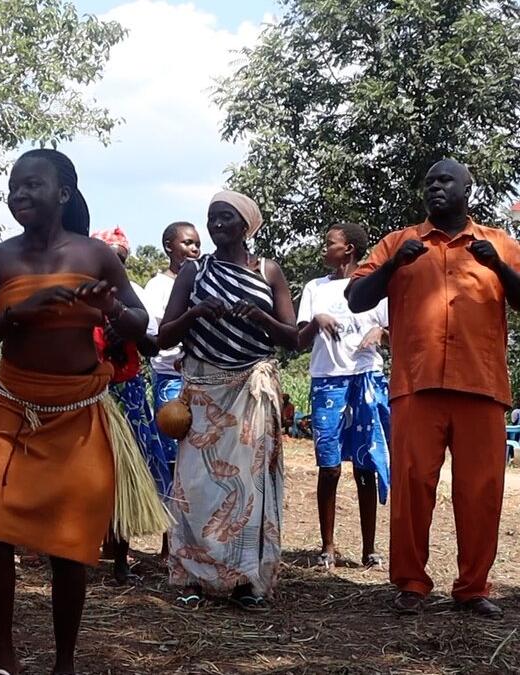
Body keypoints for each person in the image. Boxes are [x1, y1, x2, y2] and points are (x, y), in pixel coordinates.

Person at [0, 148, 161, 675]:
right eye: (13, 187)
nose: (18, 195)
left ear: (63, 193)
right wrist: (14, 317)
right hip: (14, 410)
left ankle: (64, 660)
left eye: (32, 186)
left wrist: (112, 308)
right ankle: (5, 655)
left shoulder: (96, 256)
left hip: (80, 413)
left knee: (73, 542)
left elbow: (141, 323)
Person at [347, 159, 520, 619]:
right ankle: (411, 583)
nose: (435, 188)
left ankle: (473, 588)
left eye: (445, 180)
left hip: (482, 386)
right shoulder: (399, 243)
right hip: (416, 384)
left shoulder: (499, 243)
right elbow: (355, 298)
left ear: (468, 187)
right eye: (428, 182)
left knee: (481, 490)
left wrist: (499, 267)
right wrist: (393, 268)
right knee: (411, 485)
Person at [157, 190, 297, 611]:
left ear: (247, 225)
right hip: (203, 393)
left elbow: (291, 337)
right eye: (212, 218)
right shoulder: (193, 273)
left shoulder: (269, 271)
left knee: (248, 487)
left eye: (226, 218)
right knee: (197, 486)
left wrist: (261, 318)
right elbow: (164, 336)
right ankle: (194, 579)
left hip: (250, 392)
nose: (217, 225)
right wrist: (195, 315)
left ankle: (245, 582)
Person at [297, 222, 389, 570]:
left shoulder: (372, 287)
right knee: (330, 467)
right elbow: (298, 340)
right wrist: (316, 320)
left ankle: (369, 549)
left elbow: (395, 333)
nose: (324, 248)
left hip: (366, 379)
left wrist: (380, 331)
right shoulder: (314, 289)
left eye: (329, 243)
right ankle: (328, 546)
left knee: (366, 466)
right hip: (327, 382)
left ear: (348, 248)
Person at [91, 226, 171, 583]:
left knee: (126, 473)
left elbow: (152, 346)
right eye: (110, 258)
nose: (116, 264)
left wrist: (130, 328)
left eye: (120, 259)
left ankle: (120, 560)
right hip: (89, 391)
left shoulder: (132, 295)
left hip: (127, 391)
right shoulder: (82, 291)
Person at [143, 222, 201, 454]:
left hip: (199, 377)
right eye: (187, 243)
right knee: (173, 444)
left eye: (197, 244)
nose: (194, 249)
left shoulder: (201, 282)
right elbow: (154, 335)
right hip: (171, 376)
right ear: (169, 247)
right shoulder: (158, 287)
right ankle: (170, 491)